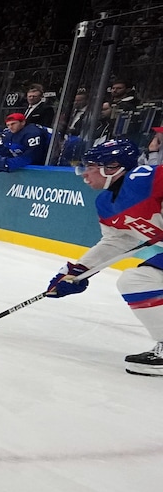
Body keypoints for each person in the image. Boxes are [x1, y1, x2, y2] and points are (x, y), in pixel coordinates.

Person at [44, 138, 163, 375]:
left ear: (113, 167)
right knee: (137, 280)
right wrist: (78, 271)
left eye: (91, 166)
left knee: (137, 280)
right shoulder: (106, 203)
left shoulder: (146, 178)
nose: (85, 173)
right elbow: (118, 240)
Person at [0, 111, 52, 177]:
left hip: (57, 158)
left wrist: (4, 163)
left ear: (23, 122)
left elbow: (32, 158)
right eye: (8, 125)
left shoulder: (33, 133)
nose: (10, 127)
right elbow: (6, 151)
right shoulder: (9, 134)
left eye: (13, 124)